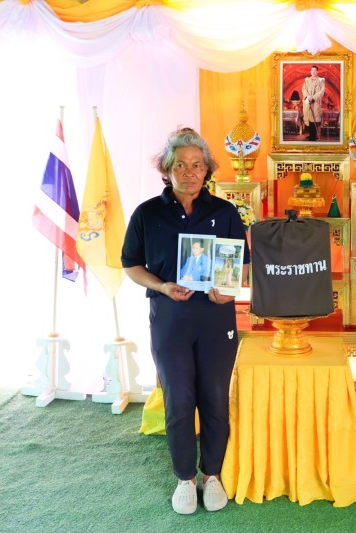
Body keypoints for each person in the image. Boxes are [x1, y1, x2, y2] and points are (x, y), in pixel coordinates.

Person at [121, 127, 249, 515]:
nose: (189, 172)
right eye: (180, 165)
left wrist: (230, 290)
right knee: (178, 400)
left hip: (216, 318)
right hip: (170, 318)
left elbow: (240, 263)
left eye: (197, 165)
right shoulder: (147, 213)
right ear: (166, 168)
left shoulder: (225, 212)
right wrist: (161, 285)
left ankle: (212, 474)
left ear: (207, 169)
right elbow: (131, 265)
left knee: (214, 398)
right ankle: (185, 478)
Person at [301, 65, 325, 141]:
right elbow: (304, 89)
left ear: (317, 71)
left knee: (314, 118)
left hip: (315, 102)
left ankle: (313, 136)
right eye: (312, 70)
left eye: (315, 70)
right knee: (309, 118)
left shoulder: (321, 80)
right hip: (308, 101)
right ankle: (310, 135)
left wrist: (313, 97)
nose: (313, 72)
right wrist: (308, 96)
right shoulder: (307, 80)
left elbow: (322, 91)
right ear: (310, 71)